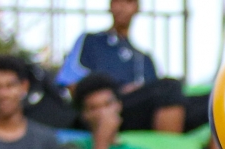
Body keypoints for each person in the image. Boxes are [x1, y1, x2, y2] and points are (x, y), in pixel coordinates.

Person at [56, 0, 208, 133]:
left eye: (128, 1)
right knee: (169, 86)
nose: (122, 7)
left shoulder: (145, 59)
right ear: (110, 5)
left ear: (137, 7)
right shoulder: (91, 41)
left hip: (144, 115)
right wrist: (116, 93)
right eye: (117, 1)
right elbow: (72, 85)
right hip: (110, 108)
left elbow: (160, 98)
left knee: (213, 101)